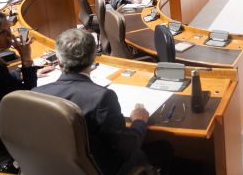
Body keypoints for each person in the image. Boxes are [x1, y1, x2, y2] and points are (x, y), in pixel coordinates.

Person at [34, 29, 172, 174]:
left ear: (59, 60)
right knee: (165, 147)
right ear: (93, 57)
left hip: (56, 168)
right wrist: (139, 121)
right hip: (104, 169)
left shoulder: (35, 94)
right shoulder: (102, 98)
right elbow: (127, 149)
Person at [0, 11, 53, 135]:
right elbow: (29, 96)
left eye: (9, 29)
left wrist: (20, 72)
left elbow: (3, 83)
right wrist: (26, 60)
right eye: (2, 32)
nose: (10, 35)